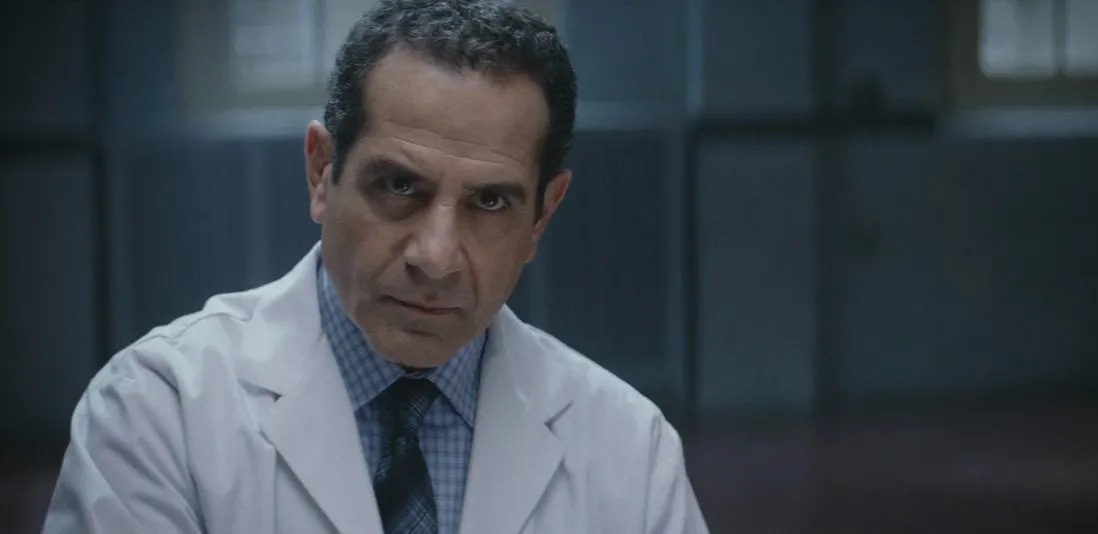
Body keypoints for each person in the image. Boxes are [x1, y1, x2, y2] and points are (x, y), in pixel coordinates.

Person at [41, 1, 708, 532]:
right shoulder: (158, 414)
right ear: (321, 172)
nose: (436, 258)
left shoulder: (630, 451)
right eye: (399, 186)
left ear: (543, 214)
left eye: (490, 202)